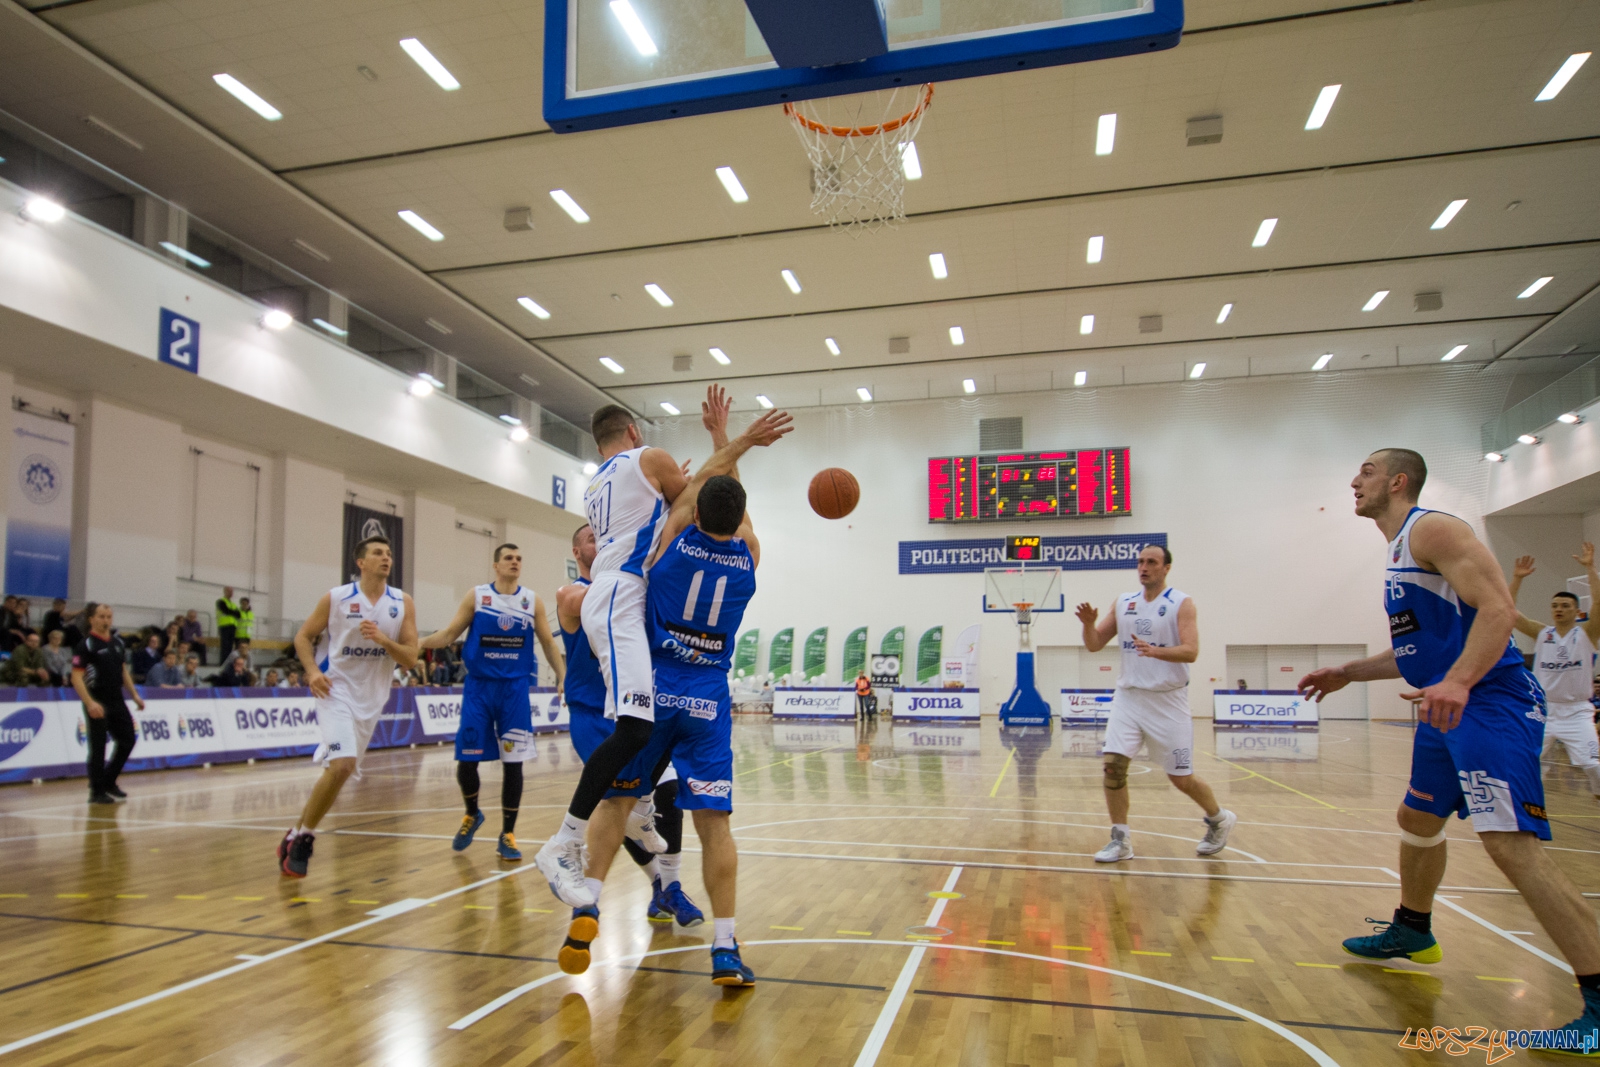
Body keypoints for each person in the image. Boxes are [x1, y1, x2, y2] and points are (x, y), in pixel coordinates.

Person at [1297, 448, 1600, 1040]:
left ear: (1398, 480)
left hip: (1491, 701)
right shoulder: (1398, 550)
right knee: (1416, 814)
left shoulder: (1432, 528)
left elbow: (1501, 609)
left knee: (1511, 847)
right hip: (1449, 705)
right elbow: (1418, 651)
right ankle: (1414, 927)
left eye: (1365, 471)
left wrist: (1459, 680)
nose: (1354, 480)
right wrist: (1350, 672)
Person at [558, 387, 785, 986]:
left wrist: (723, 439)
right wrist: (725, 444)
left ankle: (587, 906)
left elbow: (695, 498)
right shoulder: (748, 559)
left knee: (616, 801)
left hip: (656, 689)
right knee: (717, 825)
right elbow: (733, 509)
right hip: (708, 701)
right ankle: (726, 946)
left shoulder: (666, 546)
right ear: (736, 522)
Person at [557, 523, 696, 939]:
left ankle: (667, 886)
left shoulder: (636, 592)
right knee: (620, 799)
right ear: (578, 551)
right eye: (591, 537)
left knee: (665, 797)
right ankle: (589, 904)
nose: (602, 541)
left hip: (639, 709)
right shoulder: (574, 595)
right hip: (597, 716)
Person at [1076, 544, 1237, 862]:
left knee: (1181, 779)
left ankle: (1219, 819)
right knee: (1113, 767)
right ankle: (1120, 840)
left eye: (1152, 562)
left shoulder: (1180, 603)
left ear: (1166, 568)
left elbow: (1191, 651)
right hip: (1129, 698)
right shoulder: (1124, 603)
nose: (1144, 567)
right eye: (1140, 562)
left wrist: (1156, 651)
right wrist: (1088, 624)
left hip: (1168, 702)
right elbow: (1095, 645)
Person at [278, 536, 417, 878]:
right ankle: (305, 840)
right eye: (378, 553)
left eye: (388, 553)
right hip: (334, 690)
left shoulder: (402, 602)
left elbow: (411, 658)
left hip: (372, 699)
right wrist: (311, 672)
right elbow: (302, 636)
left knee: (337, 775)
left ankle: (295, 833)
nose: (386, 558)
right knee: (341, 765)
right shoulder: (337, 598)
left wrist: (384, 640)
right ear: (361, 562)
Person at [421, 544, 566, 863]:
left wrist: (561, 676)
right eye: (508, 559)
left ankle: (508, 834)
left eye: (518, 558)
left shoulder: (532, 600)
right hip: (479, 688)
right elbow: (448, 635)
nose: (515, 562)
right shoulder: (477, 596)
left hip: (514, 690)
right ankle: (472, 813)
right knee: (466, 759)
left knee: (513, 763)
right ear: (495, 566)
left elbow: (547, 643)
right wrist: (417, 644)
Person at [1508, 547, 1600, 801]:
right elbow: (1508, 612)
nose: (1558, 609)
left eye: (1565, 605)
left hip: (1577, 712)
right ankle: (1523, 808)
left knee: (1594, 766)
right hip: (1543, 711)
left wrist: (1590, 568)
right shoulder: (1542, 633)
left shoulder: (1586, 635)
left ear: (1577, 611)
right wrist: (1517, 579)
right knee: (1526, 764)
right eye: (1555, 605)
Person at [71, 602, 145, 804]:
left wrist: (135, 695)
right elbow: (76, 677)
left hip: (117, 700)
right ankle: (96, 791)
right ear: (91, 619)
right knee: (98, 748)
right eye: (101, 616)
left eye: (108, 617)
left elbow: (123, 671)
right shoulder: (86, 645)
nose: (105, 620)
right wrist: (89, 703)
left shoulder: (118, 643)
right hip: (97, 701)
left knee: (128, 739)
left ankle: (109, 780)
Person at [216, 586, 241, 664]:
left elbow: (239, 614)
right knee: (225, 647)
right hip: (224, 626)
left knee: (230, 647)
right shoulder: (220, 601)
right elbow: (226, 611)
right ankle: (223, 664)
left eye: (232, 591)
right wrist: (233, 612)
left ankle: (229, 663)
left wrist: (232, 612)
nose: (231, 593)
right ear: (225, 591)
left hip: (232, 627)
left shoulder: (233, 604)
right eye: (229, 591)